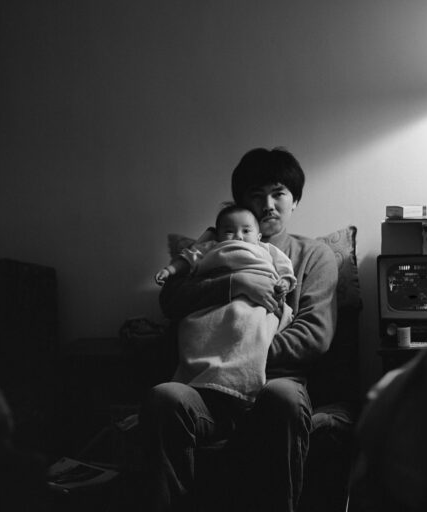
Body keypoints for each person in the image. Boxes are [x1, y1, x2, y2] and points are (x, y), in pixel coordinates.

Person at [141, 147, 338, 512]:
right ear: (239, 202)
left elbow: (314, 336)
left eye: (279, 193)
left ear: (295, 200)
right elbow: (171, 302)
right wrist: (236, 284)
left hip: (269, 385)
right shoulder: (210, 250)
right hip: (204, 387)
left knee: (285, 397)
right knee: (164, 397)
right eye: (256, 194)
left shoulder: (313, 256)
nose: (268, 205)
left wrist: (240, 354)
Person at [154, 203, 297, 402]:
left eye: (246, 230)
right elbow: (187, 259)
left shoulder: (267, 250)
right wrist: (169, 270)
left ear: (258, 236)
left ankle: (240, 383)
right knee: (196, 327)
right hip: (215, 304)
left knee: (250, 324)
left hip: (255, 304)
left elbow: (285, 270)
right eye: (229, 231)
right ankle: (202, 379)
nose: (238, 236)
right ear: (218, 235)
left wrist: (284, 283)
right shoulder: (211, 247)